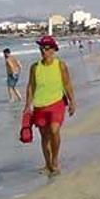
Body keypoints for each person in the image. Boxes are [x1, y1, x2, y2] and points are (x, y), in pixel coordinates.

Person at [24, 36, 76, 178]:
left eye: (46, 48)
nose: (43, 51)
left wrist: (72, 101)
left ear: (53, 49)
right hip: (40, 105)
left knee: (54, 130)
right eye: (41, 48)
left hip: (57, 103)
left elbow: (67, 84)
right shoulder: (35, 67)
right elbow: (31, 87)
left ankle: (55, 160)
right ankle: (47, 164)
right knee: (44, 136)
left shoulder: (60, 65)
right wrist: (27, 106)